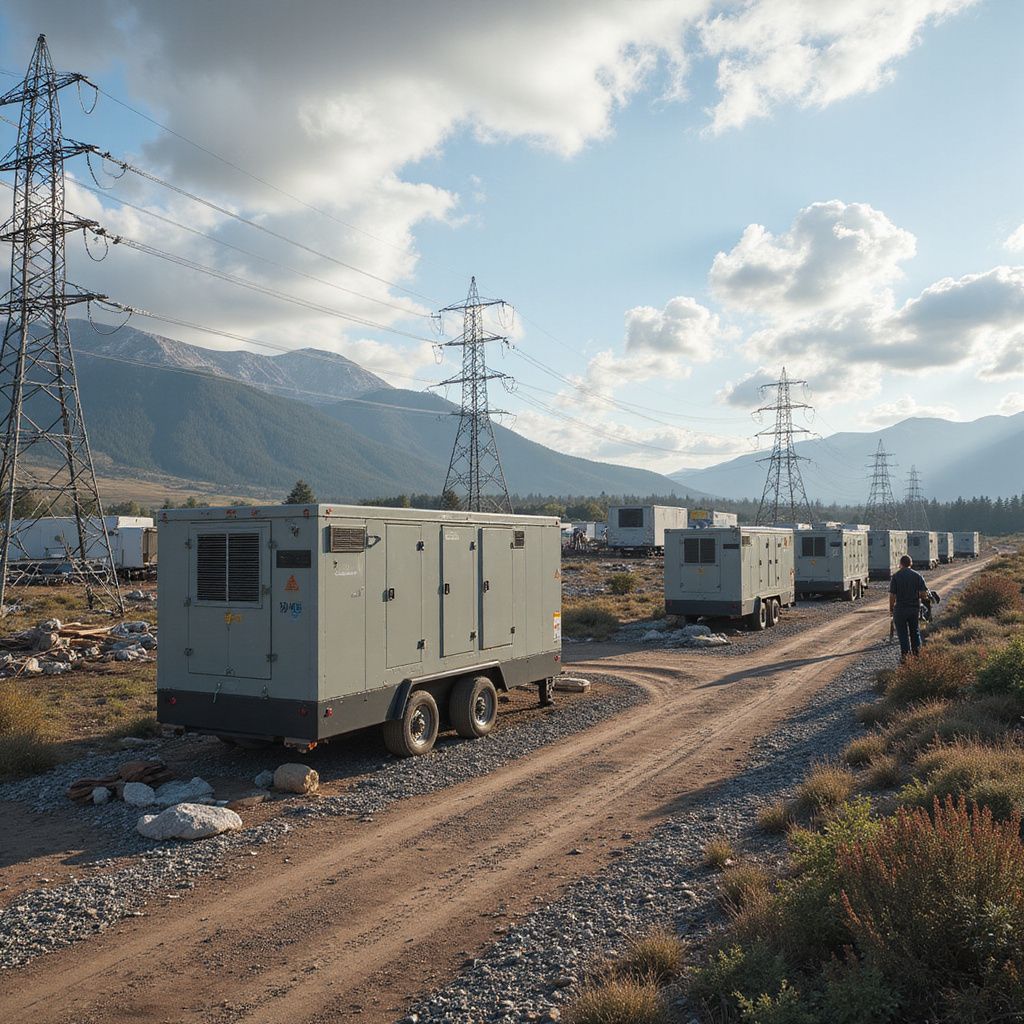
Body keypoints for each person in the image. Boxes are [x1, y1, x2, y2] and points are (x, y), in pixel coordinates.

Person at [889, 555, 931, 661]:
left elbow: (892, 596)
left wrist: (891, 608)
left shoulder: (896, 576)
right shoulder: (918, 576)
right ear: (910, 563)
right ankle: (917, 654)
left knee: (902, 633)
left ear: (901, 564)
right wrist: (919, 597)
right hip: (913, 609)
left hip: (900, 609)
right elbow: (923, 593)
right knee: (915, 632)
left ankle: (905, 656)